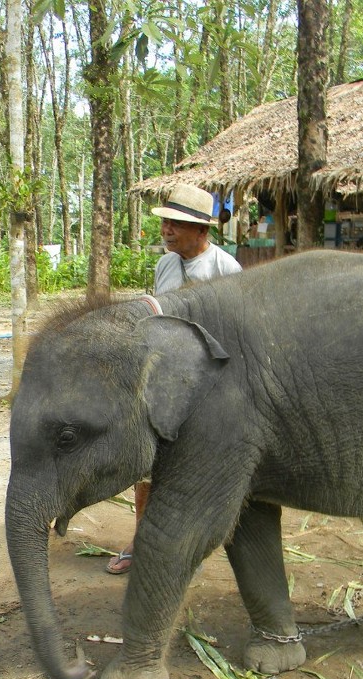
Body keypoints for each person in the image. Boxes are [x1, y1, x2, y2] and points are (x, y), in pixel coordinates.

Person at [107, 184, 243, 575]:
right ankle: (142, 542)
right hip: (165, 378)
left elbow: (234, 334)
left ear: (202, 231)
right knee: (149, 462)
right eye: (165, 222)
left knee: (195, 465)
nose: (166, 230)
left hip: (208, 382)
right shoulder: (165, 265)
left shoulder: (225, 269)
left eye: (176, 224)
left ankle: (190, 546)